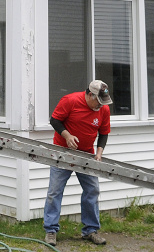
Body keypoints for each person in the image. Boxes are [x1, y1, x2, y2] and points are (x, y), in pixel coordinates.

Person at [43, 80, 112, 246]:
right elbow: (54, 120)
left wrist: (99, 152)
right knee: (55, 191)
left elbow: (104, 133)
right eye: (98, 102)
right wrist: (67, 136)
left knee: (92, 190)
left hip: (86, 154)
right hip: (63, 152)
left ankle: (90, 230)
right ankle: (51, 230)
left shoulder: (103, 109)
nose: (101, 106)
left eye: (103, 103)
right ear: (90, 95)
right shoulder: (70, 101)